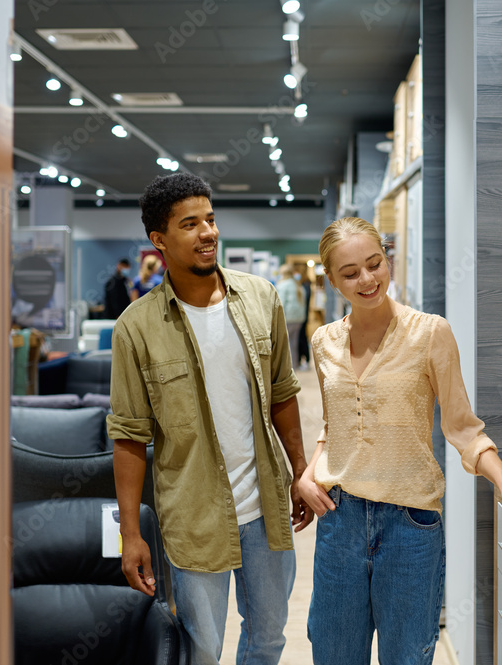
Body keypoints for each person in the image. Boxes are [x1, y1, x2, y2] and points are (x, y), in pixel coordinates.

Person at [297, 217, 502, 665]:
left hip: (410, 525)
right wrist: (309, 474)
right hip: (339, 521)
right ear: (331, 279)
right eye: (350, 273)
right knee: (333, 654)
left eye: (375, 263)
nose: (367, 279)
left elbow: (463, 427)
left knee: (407, 656)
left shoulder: (429, 333)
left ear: (388, 260)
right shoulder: (324, 341)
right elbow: (336, 425)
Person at [107, 173, 312, 665]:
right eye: (190, 223)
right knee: (201, 649)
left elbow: (283, 393)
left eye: (211, 219)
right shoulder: (136, 328)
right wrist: (130, 535)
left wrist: (300, 473)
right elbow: (130, 437)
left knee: (268, 639)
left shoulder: (261, 298)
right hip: (192, 515)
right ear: (159, 241)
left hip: (264, 507)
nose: (208, 233)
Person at [275, 264, 306, 369]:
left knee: (284, 345)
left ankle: (286, 369)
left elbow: (280, 303)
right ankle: (294, 366)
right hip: (298, 319)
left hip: (287, 319)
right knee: (293, 344)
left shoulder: (282, 285)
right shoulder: (297, 285)